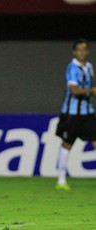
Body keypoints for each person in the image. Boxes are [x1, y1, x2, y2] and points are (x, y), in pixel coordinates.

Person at [56, 38, 96, 191]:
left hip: (88, 113)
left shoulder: (90, 67)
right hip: (72, 114)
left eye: (84, 49)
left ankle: (61, 179)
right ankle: (61, 179)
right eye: (79, 49)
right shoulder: (72, 67)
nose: (82, 52)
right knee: (67, 144)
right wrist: (91, 91)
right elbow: (74, 90)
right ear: (74, 51)